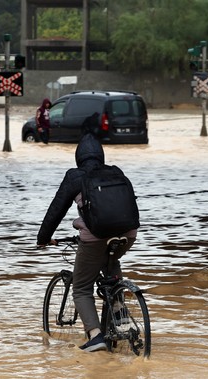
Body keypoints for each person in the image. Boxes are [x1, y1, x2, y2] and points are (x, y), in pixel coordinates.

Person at [37, 133, 137, 352]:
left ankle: (95, 336)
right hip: (128, 234)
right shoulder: (115, 172)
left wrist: (43, 239)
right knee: (109, 260)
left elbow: (56, 211)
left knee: (81, 288)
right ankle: (119, 309)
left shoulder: (75, 177)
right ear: (101, 156)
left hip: (95, 237)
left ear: (78, 158)